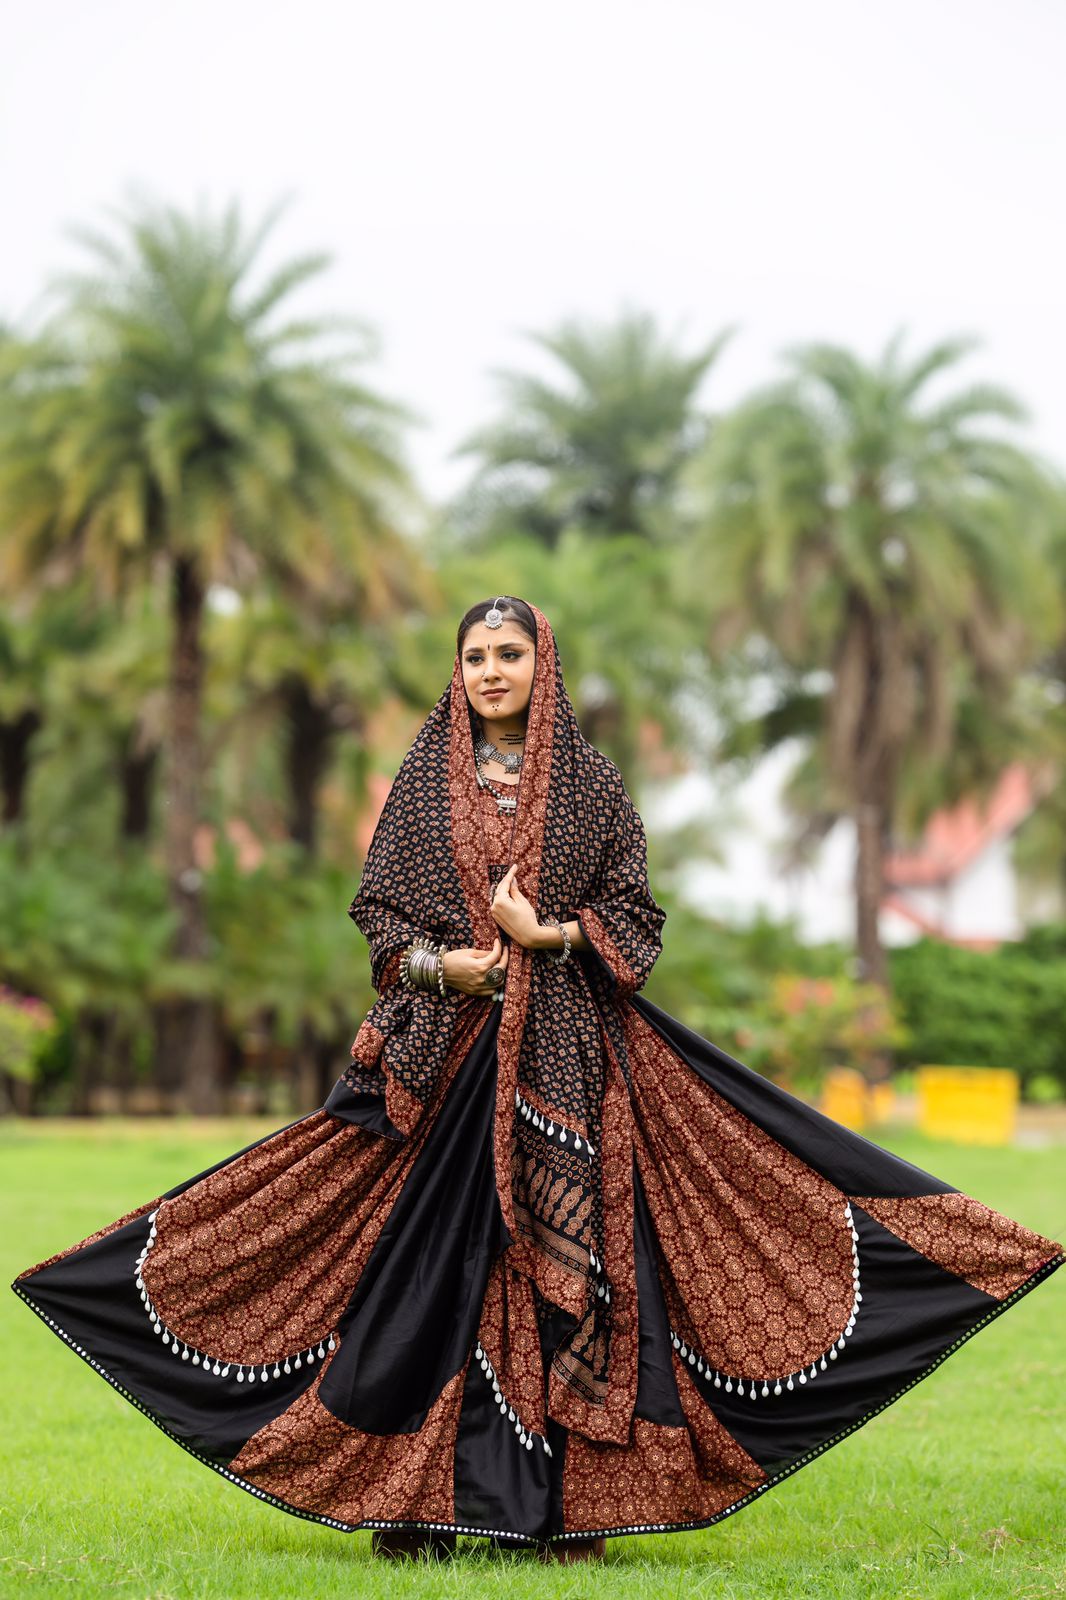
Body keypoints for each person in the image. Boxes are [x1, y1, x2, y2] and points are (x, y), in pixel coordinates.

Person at [10, 594, 1062, 1564]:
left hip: (565, 1063)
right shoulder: (423, 782)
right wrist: (446, 964)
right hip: (441, 1064)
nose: (490, 671)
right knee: (431, 1269)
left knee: (574, 1265)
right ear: (456, 670)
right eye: (474, 656)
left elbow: (638, 922)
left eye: (509, 654)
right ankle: (414, 1501)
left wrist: (543, 934)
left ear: (542, 665)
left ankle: (572, 1515)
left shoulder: (594, 786)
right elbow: (378, 915)